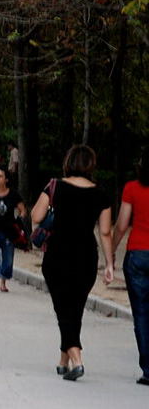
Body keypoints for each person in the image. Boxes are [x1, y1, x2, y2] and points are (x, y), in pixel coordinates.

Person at [32, 145, 113, 380]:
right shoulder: (101, 193)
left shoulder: (55, 186)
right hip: (87, 256)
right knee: (74, 308)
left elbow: (36, 217)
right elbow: (105, 232)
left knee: (63, 308)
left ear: (69, 162)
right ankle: (63, 361)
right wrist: (109, 265)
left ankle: (76, 358)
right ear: (91, 165)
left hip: (58, 253)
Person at [113, 146, 149, 386]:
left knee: (142, 313)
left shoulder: (132, 188)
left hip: (138, 254)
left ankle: (148, 368)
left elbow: (122, 224)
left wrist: (110, 251)